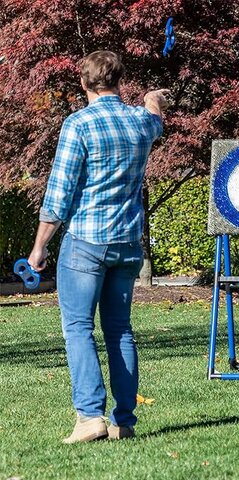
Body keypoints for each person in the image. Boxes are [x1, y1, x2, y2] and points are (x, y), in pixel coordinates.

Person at [28, 50, 169, 443]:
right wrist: (152, 100)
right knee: (120, 331)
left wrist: (39, 247)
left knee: (78, 328)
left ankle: (90, 418)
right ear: (119, 80)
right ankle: (124, 420)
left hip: (86, 243)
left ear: (84, 83)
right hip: (127, 243)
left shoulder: (79, 125)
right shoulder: (141, 123)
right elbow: (155, 119)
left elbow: (58, 193)